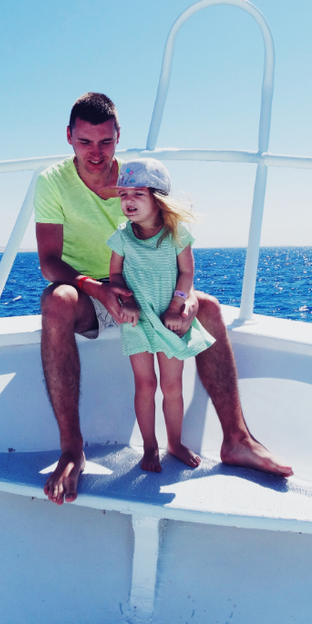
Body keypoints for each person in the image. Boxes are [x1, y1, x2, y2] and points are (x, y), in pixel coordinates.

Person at [35, 92, 292, 505]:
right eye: (84, 142)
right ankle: (72, 449)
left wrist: (183, 299)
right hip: (91, 292)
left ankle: (237, 439)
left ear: (118, 136)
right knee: (56, 300)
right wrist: (99, 288)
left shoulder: (138, 178)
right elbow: (49, 262)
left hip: (147, 292)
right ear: (69, 137)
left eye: (105, 141)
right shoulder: (51, 182)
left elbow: (175, 246)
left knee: (209, 308)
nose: (96, 153)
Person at [107, 158, 213, 473]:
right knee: (145, 384)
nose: (128, 201)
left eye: (137, 194)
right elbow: (114, 275)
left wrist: (177, 306)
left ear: (158, 198)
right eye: (123, 194)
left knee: (171, 386)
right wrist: (126, 302)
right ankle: (150, 445)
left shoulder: (176, 233)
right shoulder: (122, 236)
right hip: (137, 321)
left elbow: (187, 273)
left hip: (169, 320)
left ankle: (175, 443)